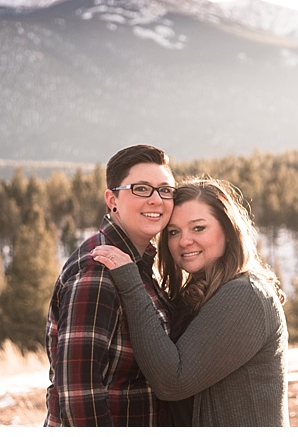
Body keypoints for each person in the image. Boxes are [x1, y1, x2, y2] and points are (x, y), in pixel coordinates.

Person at [92, 177, 289, 426]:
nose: (184, 241)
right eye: (174, 232)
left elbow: (172, 382)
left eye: (198, 228)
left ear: (228, 231)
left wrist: (132, 285)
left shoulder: (245, 295)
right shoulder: (197, 296)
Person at [45, 144, 179, 426]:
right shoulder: (99, 268)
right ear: (112, 199)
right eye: (141, 188)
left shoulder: (136, 264)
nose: (156, 200)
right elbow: (79, 394)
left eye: (165, 190)